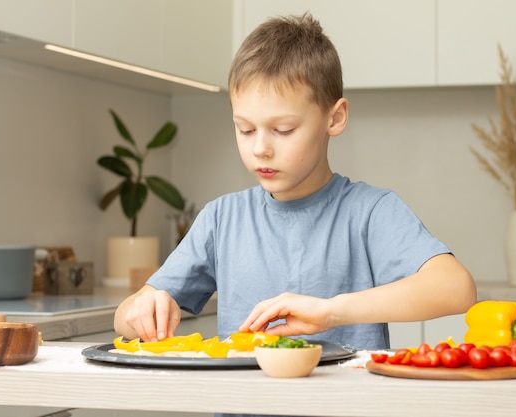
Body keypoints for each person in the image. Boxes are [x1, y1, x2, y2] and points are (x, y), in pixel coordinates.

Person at [114, 12, 476, 417]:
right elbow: (125, 320)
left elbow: (455, 288)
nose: (260, 149)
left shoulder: (370, 211)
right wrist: (142, 310)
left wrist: (331, 311)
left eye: (283, 130)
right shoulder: (222, 218)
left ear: (334, 118)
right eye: (245, 129)